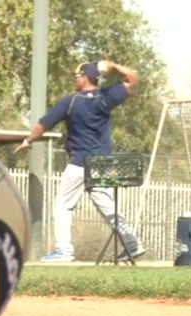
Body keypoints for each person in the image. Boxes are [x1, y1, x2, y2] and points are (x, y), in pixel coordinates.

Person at [15, 60, 145, 262]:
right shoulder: (106, 97)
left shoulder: (71, 102)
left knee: (63, 206)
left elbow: (44, 124)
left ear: (84, 77)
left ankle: (64, 250)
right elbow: (132, 79)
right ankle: (132, 243)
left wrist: (27, 140)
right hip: (101, 164)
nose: (75, 80)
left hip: (80, 163)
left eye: (76, 76)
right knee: (108, 207)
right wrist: (116, 68)